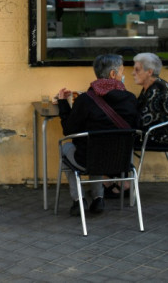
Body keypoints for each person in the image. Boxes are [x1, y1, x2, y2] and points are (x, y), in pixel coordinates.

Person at [55, 54, 140, 216]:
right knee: (95, 148)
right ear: (113, 75)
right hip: (122, 163)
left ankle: (78, 200)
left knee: (67, 147)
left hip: (88, 160)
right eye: (122, 71)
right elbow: (137, 127)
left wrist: (63, 104)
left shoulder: (85, 100)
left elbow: (69, 130)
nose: (124, 75)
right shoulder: (130, 99)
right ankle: (98, 198)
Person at [132, 52, 168, 147]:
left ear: (149, 72)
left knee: (118, 137)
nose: (133, 73)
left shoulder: (157, 89)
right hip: (151, 133)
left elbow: (143, 120)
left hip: (162, 137)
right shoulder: (150, 86)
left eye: (137, 70)